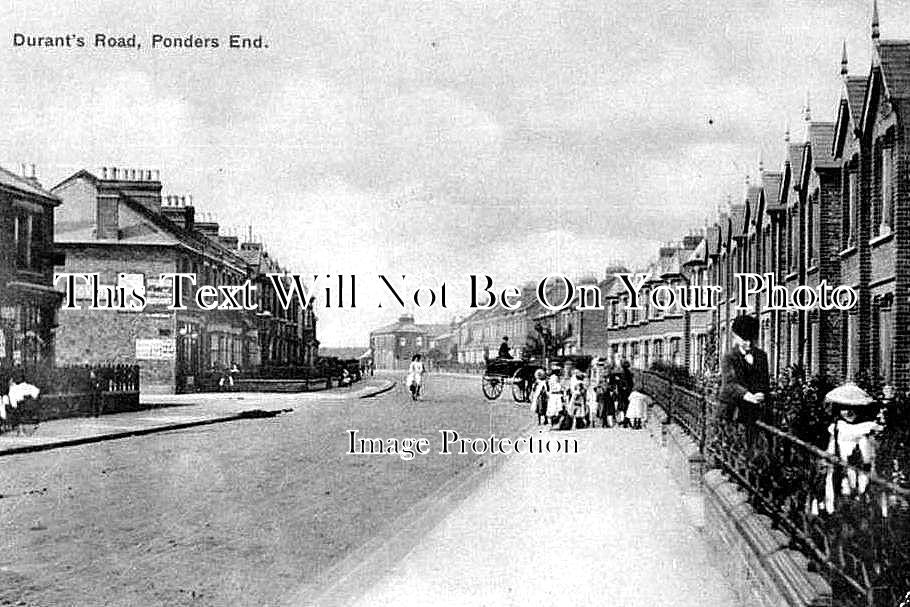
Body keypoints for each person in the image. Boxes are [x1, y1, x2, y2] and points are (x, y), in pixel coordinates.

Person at [718, 314, 769, 424]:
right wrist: (749, 396)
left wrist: (761, 393)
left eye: (751, 339)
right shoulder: (729, 357)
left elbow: (764, 381)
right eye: (745, 339)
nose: (749, 343)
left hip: (755, 412)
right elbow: (730, 384)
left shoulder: (761, 356)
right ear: (735, 336)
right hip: (732, 411)